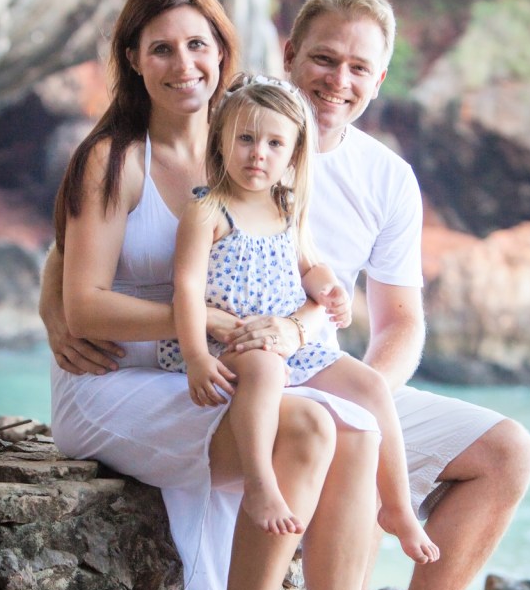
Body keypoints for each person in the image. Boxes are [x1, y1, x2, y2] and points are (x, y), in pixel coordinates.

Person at [45, 0, 398, 590]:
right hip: (114, 379)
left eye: (198, 45)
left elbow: (301, 274)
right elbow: (83, 303)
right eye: (161, 48)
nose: (184, 64)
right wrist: (206, 322)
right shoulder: (114, 157)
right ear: (132, 58)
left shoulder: (245, 144)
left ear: (222, 50)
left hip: (215, 366)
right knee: (307, 425)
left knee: (355, 427)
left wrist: (293, 327)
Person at [211, 0, 530, 590]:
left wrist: (369, 391)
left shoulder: (386, 177)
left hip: (330, 371)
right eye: (323, 59)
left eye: (359, 68)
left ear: (380, 79)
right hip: (247, 376)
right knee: (343, 429)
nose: (339, 81)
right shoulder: (238, 138)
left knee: (505, 451)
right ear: (289, 54)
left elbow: (401, 323)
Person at [159, 71, 439, 565]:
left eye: (274, 143)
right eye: (245, 139)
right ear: (220, 141)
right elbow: (185, 290)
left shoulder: (287, 207)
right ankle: (260, 483)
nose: (258, 154)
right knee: (266, 369)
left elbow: (310, 265)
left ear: (293, 155)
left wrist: (330, 289)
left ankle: (398, 507)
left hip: (290, 342)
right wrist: (197, 357)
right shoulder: (207, 212)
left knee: (371, 386)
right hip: (230, 344)